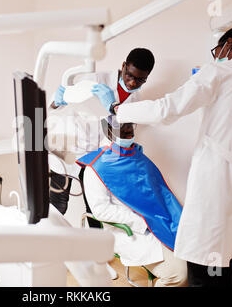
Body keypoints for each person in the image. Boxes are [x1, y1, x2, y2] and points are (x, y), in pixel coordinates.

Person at [93, 26, 232, 286]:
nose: (216, 55)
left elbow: (167, 110)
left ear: (228, 45)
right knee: (220, 261)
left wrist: (120, 112)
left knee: (203, 266)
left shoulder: (220, 71)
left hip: (213, 184)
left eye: (217, 50)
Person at [48, 48, 155, 226]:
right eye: (129, 75)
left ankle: (95, 250)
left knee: (95, 209)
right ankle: (46, 243)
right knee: (58, 205)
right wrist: (57, 100)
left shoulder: (136, 99)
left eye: (140, 80)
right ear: (123, 66)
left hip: (95, 156)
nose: (132, 83)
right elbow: (58, 104)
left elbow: (117, 130)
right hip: (69, 148)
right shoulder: (95, 81)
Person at [76, 116, 187, 287]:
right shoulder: (96, 168)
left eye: (130, 125)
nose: (128, 130)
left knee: (197, 258)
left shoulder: (138, 157)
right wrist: (141, 221)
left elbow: (160, 194)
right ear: (108, 131)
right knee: (179, 274)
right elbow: (101, 210)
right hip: (133, 230)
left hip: (159, 221)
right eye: (122, 127)